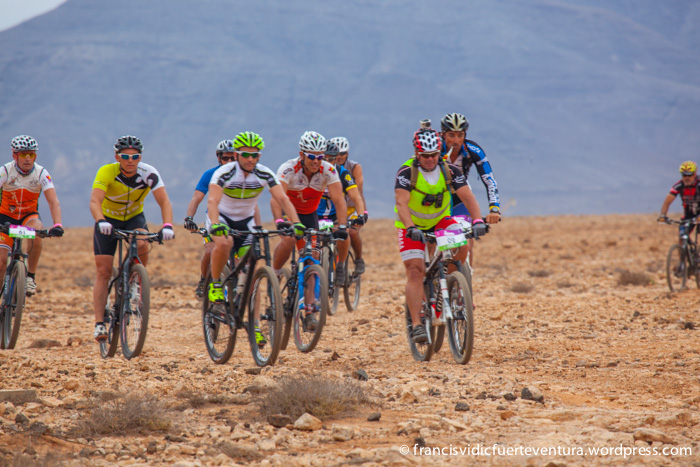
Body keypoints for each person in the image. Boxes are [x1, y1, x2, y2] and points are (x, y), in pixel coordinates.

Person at [206, 131, 301, 346]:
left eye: (255, 155)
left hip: (246, 221)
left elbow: (283, 199)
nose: (250, 159)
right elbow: (212, 201)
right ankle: (215, 284)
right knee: (224, 242)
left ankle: (254, 325)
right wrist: (216, 223)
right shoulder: (224, 173)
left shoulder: (264, 174)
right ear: (237, 155)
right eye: (246, 155)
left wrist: (296, 223)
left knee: (251, 275)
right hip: (222, 218)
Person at [395, 127, 487, 343]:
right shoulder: (406, 172)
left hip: (440, 221)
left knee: (463, 246)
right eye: (425, 155)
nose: (430, 159)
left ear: (439, 152)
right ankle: (417, 325)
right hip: (412, 225)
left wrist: (477, 221)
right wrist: (410, 227)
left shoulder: (449, 171)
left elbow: (468, 198)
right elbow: (401, 203)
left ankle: (452, 283)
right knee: (415, 272)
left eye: (434, 154)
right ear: (417, 153)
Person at [90, 135, 174, 341]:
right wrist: (101, 221)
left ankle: (133, 278)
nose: (130, 160)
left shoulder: (149, 173)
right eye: (125, 156)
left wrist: (167, 225)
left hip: (133, 218)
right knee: (103, 271)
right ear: (117, 157)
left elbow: (165, 202)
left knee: (143, 242)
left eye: (135, 156)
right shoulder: (106, 171)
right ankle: (99, 324)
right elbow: (95, 201)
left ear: (140, 157)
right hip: (108, 220)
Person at [271, 131, 348, 330]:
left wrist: (342, 226)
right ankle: (274, 274)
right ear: (302, 154)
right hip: (289, 213)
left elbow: (339, 200)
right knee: (288, 240)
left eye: (320, 157)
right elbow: (277, 198)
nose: (316, 161)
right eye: (312, 156)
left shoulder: (328, 170)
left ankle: (310, 310)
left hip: (309, 215)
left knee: (312, 257)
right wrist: (280, 221)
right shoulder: (288, 169)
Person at [184, 140, 261, 298]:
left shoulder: (244, 174)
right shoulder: (210, 174)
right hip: (215, 218)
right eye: (225, 158)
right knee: (211, 250)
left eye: (232, 158)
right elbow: (197, 198)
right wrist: (189, 218)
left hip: (238, 218)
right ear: (219, 158)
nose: (229, 161)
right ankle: (204, 279)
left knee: (242, 257)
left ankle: (239, 291)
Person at [0, 135, 64, 296]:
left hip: (28, 217)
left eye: (31, 154)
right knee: (1, 263)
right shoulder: (5, 171)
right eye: (23, 154)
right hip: (5, 217)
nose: (28, 158)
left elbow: (53, 201)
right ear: (14, 155)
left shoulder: (41, 173)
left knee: (37, 230)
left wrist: (58, 224)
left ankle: (30, 277)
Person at [440, 113, 500, 265]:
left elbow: (489, 180)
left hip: (461, 195)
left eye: (460, 135)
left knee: (468, 238)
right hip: (437, 197)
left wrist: (494, 208)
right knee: (433, 239)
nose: (456, 140)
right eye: (451, 135)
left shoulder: (473, 150)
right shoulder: (435, 150)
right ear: (443, 134)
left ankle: (467, 275)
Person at [317, 140, 366, 285]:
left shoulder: (342, 173)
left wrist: (361, 215)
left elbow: (356, 197)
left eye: (331, 159)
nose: (328, 163)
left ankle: (340, 265)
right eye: (324, 159)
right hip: (315, 214)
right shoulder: (313, 172)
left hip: (335, 215)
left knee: (344, 233)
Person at [329, 136, 369, 275]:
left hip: (352, 208)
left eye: (342, 153)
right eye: (337, 154)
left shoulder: (354, 167)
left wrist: (362, 213)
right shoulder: (327, 166)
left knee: (352, 232)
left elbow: (358, 191)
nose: (339, 156)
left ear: (347, 154)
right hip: (335, 209)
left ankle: (358, 259)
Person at [658, 161, 700, 238]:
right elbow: (667, 202)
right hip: (688, 215)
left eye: (689, 175)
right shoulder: (678, 186)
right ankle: (682, 245)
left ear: (694, 174)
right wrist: (663, 216)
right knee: (682, 235)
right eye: (684, 175)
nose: (687, 178)